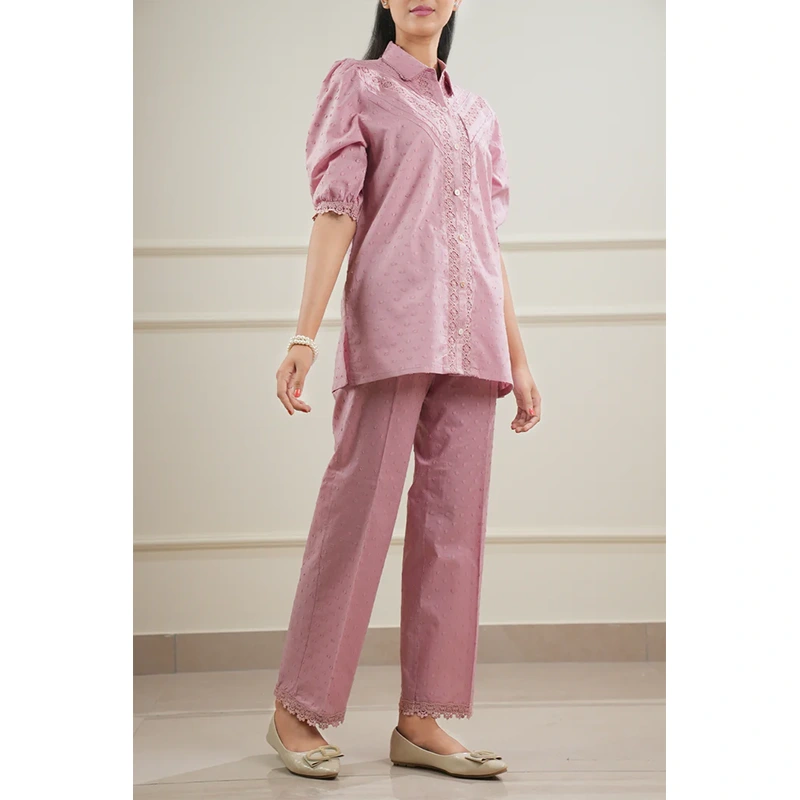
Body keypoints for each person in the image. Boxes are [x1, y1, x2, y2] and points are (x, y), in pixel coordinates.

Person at [266, 0, 541, 781]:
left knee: (454, 529)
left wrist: (519, 358)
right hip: (392, 326)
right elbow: (335, 211)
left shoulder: (478, 115)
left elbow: (488, 242)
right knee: (354, 518)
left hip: (475, 340)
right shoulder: (357, 85)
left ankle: (422, 721)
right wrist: (303, 334)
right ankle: (296, 710)